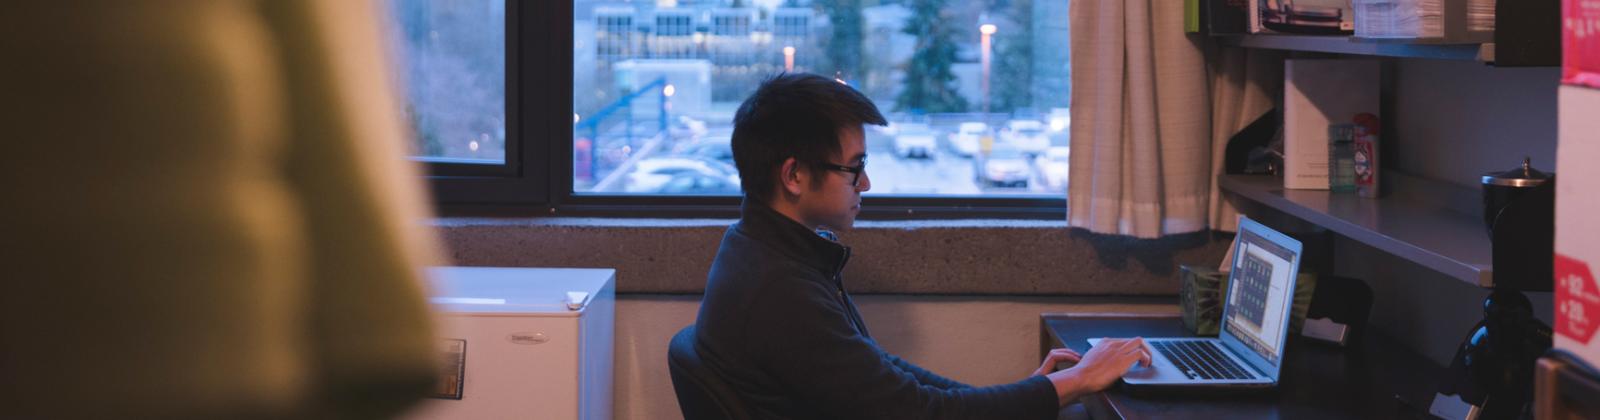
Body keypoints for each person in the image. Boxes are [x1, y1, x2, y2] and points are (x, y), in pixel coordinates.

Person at [693, 73, 1152, 420]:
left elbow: (883, 377)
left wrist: (1037, 391)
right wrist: (1078, 379)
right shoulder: (778, 290)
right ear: (793, 175)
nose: (865, 183)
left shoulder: (764, 252)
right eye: (853, 168)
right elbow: (919, 412)